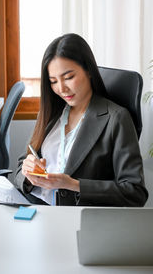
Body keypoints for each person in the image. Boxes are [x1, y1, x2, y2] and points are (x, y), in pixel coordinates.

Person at [15, 33, 148, 206]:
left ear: (89, 71)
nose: (61, 88)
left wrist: (73, 185)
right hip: (36, 207)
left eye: (69, 77)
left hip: (77, 219)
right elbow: (21, 164)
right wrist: (27, 174)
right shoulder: (50, 113)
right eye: (53, 81)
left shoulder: (116, 119)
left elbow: (135, 192)